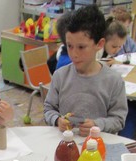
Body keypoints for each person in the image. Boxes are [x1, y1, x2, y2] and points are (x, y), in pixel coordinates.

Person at [44, 5, 128, 136]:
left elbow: (118, 120)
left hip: (98, 146)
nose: (74, 54)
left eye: (81, 47)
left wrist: (97, 125)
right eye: (69, 46)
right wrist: (56, 120)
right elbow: (49, 109)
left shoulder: (114, 81)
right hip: (66, 143)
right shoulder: (60, 76)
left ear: (99, 44)